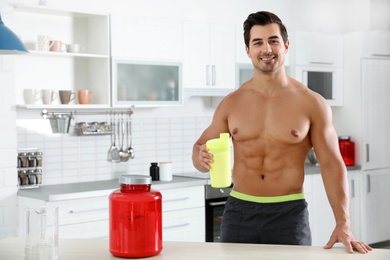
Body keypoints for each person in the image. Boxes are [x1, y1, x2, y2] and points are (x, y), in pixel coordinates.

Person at [192, 11, 372, 254]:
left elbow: (331, 164)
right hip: (239, 211)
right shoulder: (231, 103)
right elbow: (200, 149)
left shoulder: (312, 103)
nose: (266, 48)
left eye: (273, 40)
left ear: (286, 45)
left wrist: (344, 223)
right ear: (248, 50)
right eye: (257, 42)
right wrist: (201, 159)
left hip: (289, 215)